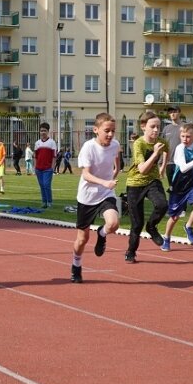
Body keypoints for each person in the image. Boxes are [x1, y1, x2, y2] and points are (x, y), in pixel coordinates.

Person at [70, 113, 120, 283]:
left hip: (105, 194)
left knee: (113, 223)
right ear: (96, 130)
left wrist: (115, 173)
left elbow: (117, 161)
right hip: (87, 197)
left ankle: (102, 233)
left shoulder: (115, 145)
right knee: (82, 239)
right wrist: (104, 182)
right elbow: (85, 175)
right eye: (107, 131)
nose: (111, 134)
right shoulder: (88, 147)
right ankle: (76, 264)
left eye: (113, 131)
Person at [124, 111, 169, 263]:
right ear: (143, 127)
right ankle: (131, 252)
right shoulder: (139, 144)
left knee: (162, 204)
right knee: (136, 224)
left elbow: (167, 151)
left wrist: (162, 167)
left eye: (158, 127)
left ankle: (151, 227)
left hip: (152, 181)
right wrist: (155, 154)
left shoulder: (162, 142)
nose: (156, 130)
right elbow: (142, 169)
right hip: (135, 184)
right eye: (152, 127)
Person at [161, 123, 193, 251]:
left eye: (188, 136)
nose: (184, 139)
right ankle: (166, 237)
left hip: (192, 185)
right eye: (182, 136)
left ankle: (189, 226)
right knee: (175, 217)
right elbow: (183, 168)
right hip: (178, 187)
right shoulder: (180, 148)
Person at [34, 123, 57, 208]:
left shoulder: (52, 142)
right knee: (41, 185)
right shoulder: (37, 143)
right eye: (41, 130)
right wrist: (35, 167)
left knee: (46, 185)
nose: (43, 132)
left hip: (48, 169)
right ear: (39, 132)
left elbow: (54, 156)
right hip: (38, 169)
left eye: (45, 131)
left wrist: (52, 168)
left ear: (48, 132)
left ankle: (49, 201)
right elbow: (35, 157)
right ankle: (44, 202)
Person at [162, 105, 184, 190]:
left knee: (181, 187)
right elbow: (163, 147)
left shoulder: (184, 127)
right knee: (172, 187)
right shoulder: (166, 129)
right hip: (169, 163)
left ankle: (182, 203)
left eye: (174, 111)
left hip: (181, 162)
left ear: (179, 113)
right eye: (170, 112)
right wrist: (162, 164)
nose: (172, 114)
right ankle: (173, 203)